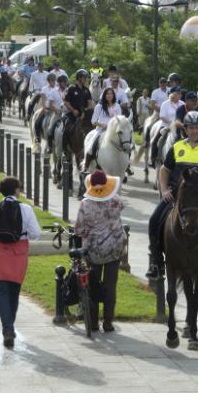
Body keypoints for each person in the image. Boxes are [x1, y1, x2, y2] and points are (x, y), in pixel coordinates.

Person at [146, 111, 198, 280]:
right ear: (185, 129)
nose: (194, 131)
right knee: (154, 220)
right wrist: (165, 190)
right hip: (178, 194)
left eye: (197, 127)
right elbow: (164, 170)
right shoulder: (177, 147)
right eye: (191, 128)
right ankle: (156, 263)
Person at [0, 177, 41, 348]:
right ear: (16, 190)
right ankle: (9, 326)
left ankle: (7, 329)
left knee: (2, 294)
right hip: (19, 254)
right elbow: (36, 233)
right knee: (14, 293)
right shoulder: (26, 208)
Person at [74, 170, 124, 333]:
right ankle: (108, 322)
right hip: (114, 249)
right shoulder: (116, 200)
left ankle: (94, 323)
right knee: (111, 286)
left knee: (92, 286)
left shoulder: (85, 203)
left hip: (93, 250)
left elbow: (79, 228)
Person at [83, 88, 122, 166]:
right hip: (100, 130)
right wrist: (103, 125)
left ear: (113, 95)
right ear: (104, 95)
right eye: (107, 94)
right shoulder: (99, 106)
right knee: (90, 146)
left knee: (125, 144)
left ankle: (126, 166)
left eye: (111, 93)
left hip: (114, 131)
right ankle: (86, 165)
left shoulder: (117, 106)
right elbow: (93, 121)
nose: (109, 95)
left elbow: (119, 119)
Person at [34, 74, 59, 143]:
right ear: (48, 81)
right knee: (38, 121)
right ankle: (37, 136)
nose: (53, 82)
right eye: (52, 80)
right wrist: (44, 108)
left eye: (54, 80)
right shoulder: (44, 89)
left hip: (55, 109)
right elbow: (43, 100)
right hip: (47, 108)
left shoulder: (57, 89)